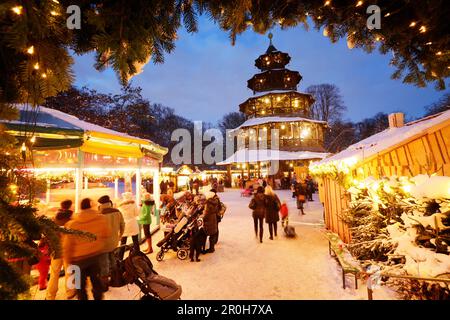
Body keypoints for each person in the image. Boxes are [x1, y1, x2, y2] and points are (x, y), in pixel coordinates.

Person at [63, 198, 111, 300]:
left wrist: (68, 260)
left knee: (80, 287)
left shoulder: (72, 224)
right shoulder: (100, 219)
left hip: (77, 260)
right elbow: (107, 234)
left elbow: (67, 245)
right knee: (96, 282)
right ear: (91, 206)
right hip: (95, 256)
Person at [46, 199, 76, 300]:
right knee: (70, 271)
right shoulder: (73, 219)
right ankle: (70, 292)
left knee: (54, 274)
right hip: (69, 250)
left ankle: (50, 295)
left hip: (56, 250)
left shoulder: (53, 219)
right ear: (70, 206)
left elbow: (48, 234)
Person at [97, 195, 125, 290]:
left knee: (104, 263)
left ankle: (104, 285)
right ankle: (115, 278)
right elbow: (122, 225)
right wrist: (120, 236)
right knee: (113, 259)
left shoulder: (100, 214)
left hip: (104, 243)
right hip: (114, 241)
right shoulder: (117, 212)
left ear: (101, 204)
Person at [117, 192, 140, 259]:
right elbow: (136, 213)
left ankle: (120, 258)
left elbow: (119, 216)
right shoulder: (133, 204)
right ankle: (138, 256)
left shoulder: (120, 206)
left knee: (123, 243)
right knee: (135, 241)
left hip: (125, 225)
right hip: (133, 224)